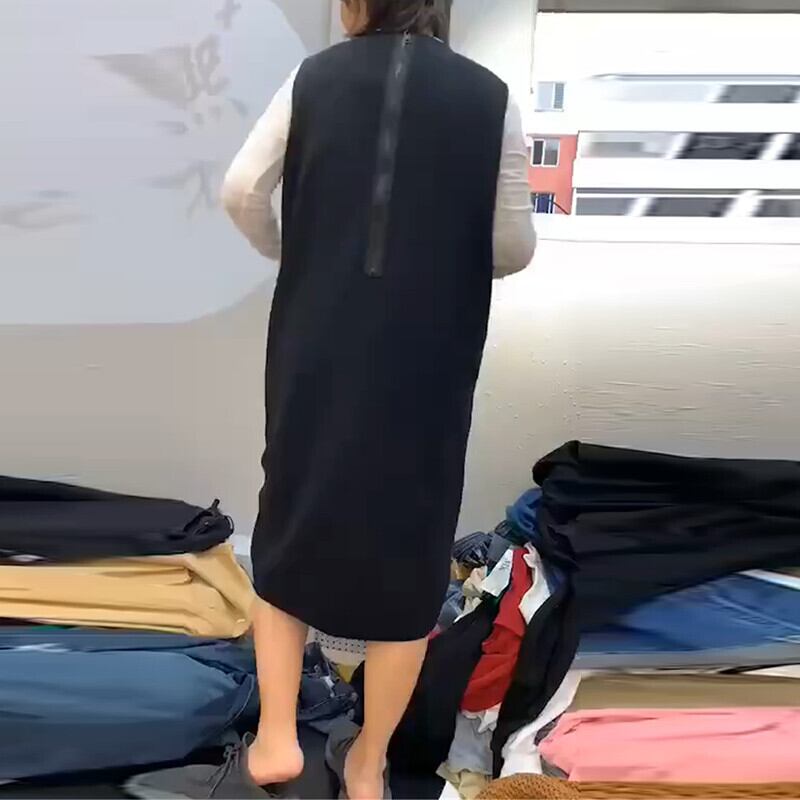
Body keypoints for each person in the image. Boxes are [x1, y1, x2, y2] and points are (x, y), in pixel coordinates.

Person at [163, 1, 534, 798]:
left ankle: (276, 739)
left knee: (292, 515)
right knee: (414, 541)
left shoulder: (312, 79)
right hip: (430, 353)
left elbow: (240, 191)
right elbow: (513, 246)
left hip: (318, 340)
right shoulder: (492, 97)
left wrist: (298, 251)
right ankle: (368, 763)